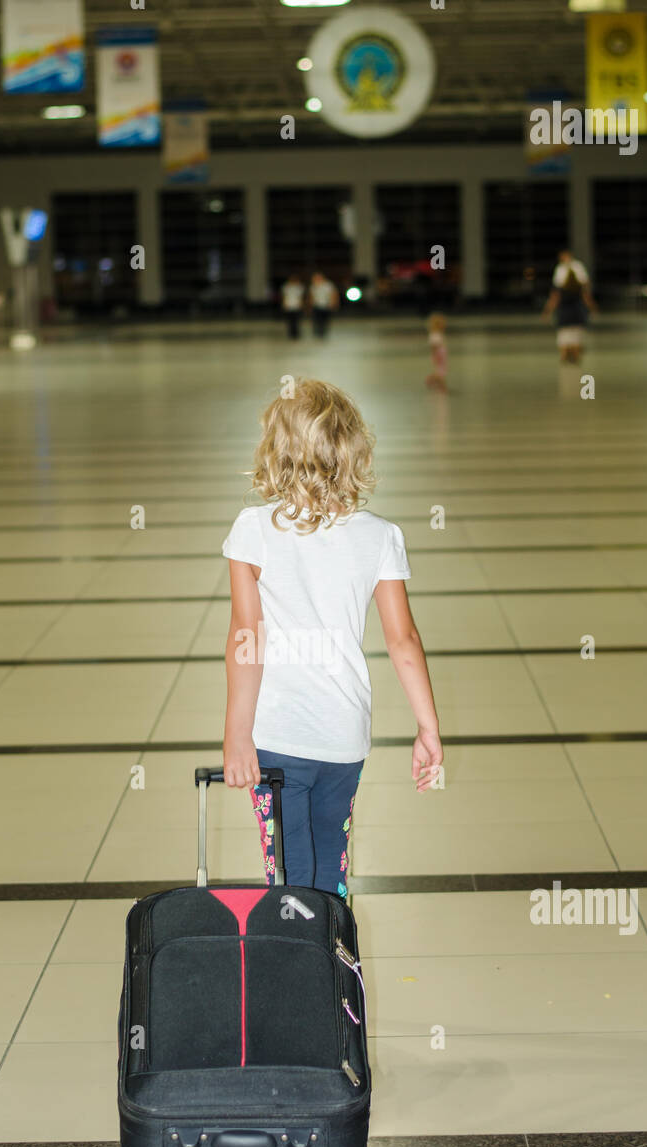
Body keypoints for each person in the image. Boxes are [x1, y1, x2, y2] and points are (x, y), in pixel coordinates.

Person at [221, 379, 444, 896]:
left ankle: (301, 971)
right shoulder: (380, 535)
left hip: (277, 737)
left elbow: (245, 635)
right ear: (351, 451)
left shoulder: (253, 530)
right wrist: (427, 727)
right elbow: (404, 640)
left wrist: (236, 734)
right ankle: (338, 965)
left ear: (276, 452)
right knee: (330, 875)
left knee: (289, 886)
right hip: (345, 737)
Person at [543, 265, 596, 364]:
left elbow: (553, 301)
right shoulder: (579, 288)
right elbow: (587, 300)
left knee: (564, 339)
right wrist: (593, 309)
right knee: (576, 339)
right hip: (577, 316)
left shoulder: (560, 289)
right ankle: (576, 358)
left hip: (564, 316)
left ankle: (565, 357)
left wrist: (547, 312)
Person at [308, 272, 338, 338]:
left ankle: (323, 332)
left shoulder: (328, 285)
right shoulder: (313, 286)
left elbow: (333, 294)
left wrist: (333, 303)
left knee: (325, 320)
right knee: (317, 320)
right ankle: (318, 332)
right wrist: (310, 305)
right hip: (317, 305)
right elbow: (311, 296)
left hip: (326, 305)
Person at [425, 313, 448, 391]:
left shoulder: (438, 334)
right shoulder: (434, 335)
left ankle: (440, 385)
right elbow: (434, 347)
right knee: (440, 372)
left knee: (441, 372)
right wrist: (436, 355)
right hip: (439, 355)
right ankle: (441, 386)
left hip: (441, 355)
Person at [280, 273, 305, 339]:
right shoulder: (286, 287)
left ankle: (296, 333)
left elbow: (301, 297)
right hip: (289, 305)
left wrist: (301, 304)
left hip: (297, 306)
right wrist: (284, 304)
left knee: (296, 321)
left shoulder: (299, 287)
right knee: (289, 321)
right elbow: (284, 296)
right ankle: (290, 333)